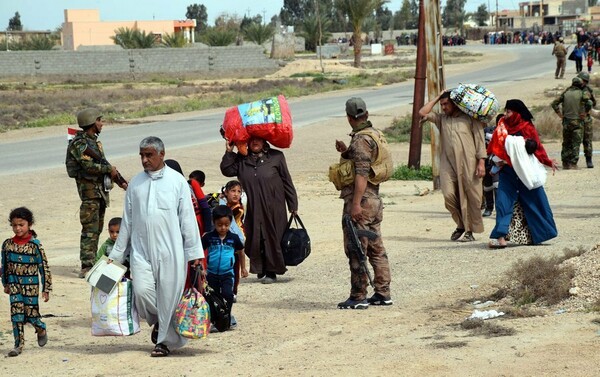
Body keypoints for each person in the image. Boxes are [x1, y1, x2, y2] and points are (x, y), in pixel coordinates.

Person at [108, 136, 203, 357]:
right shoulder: (136, 184)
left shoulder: (177, 181)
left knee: (169, 295)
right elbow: (128, 221)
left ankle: (163, 343)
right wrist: (117, 255)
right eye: (142, 155)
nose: (144, 160)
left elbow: (187, 220)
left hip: (171, 250)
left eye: (149, 155)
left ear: (162, 154)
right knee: (141, 292)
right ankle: (162, 322)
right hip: (141, 251)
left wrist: (194, 253)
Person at [333, 97, 394, 309]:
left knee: (356, 248)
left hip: (363, 200)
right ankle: (383, 293)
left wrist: (355, 204)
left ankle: (358, 296)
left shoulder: (361, 139)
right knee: (376, 248)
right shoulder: (374, 134)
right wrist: (344, 151)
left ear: (349, 117)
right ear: (366, 115)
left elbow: (361, 173)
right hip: (375, 200)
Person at [220, 136, 298, 284]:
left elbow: (287, 181)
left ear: (264, 141)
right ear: (247, 142)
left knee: (272, 236)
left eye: (258, 140)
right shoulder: (241, 159)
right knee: (253, 237)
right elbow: (227, 170)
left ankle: (271, 271)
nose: (255, 143)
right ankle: (260, 267)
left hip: (273, 206)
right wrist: (229, 152)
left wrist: (293, 205)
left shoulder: (276, 157)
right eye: (252, 140)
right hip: (252, 207)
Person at [487, 100, 559, 248]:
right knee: (502, 202)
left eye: (509, 112)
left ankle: (543, 233)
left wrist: (548, 161)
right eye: (506, 111)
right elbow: (495, 146)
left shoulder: (527, 127)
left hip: (525, 172)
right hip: (507, 172)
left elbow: (537, 147)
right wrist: (497, 159)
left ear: (517, 113)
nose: (506, 115)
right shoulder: (502, 126)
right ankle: (500, 236)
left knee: (536, 201)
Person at [66, 108, 126, 278]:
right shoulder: (80, 144)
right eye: (99, 120)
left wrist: (119, 180)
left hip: (99, 193)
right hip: (89, 194)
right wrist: (109, 169)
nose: (101, 124)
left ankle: (92, 262)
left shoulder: (94, 143)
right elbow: (88, 166)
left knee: (97, 230)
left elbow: (100, 166)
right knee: (89, 231)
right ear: (92, 123)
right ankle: (86, 266)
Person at [419, 91, 487, 242]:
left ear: (455, 103)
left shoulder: (470, 119)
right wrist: (438, 97)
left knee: (470, 197)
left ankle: (469, 231)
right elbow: (422, 112)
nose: (443, 107)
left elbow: (480, 141)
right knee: (449, 195)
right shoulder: (441, 119)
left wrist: (481, 162)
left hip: (468, 163)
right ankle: (461, 224)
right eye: (441, 105)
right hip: (448, 163)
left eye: (446, 104)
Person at [1, 207, 51, 357]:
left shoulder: (35, 245)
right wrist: (5, 284)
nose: (18, 228)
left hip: (31, 286)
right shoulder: (7, 245)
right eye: (15, 225)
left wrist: (46, 289)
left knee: (31, 314)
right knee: (16, 315)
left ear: (29, 224)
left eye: (21, 224)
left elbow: (44, 268)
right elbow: (4, 266)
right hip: (14, 284)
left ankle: (41, 328)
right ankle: (18, 345)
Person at [201, 205, 245, 330]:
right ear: (214, 222)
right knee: (212, 297)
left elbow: (241, 252)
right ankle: (214, 319)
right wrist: (202, 267)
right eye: (219, 225)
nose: (223, 228)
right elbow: (199, 251)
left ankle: (227, 316)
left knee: (228, 295)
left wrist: (243, 268)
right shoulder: (208, 237)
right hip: (212, 273)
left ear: (230, 223)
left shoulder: (233, 238)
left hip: (227, 273)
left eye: (226, 224)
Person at [551, 77, 593, 169]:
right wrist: (585, 113)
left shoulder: (565, 93)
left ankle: (565, 163)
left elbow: (554, 104)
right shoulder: (582, 93)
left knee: (566, 143)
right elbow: (589, 102)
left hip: (566, 122)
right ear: (580, 84)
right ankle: (573, 164)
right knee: (576, 143)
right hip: (577, 122)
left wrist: (560, 115)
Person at [218, 180, 248, 299]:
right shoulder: (222, 206)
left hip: (235, 241)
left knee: (235, 267)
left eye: (239, 192)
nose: (236, 194)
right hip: (224, 242)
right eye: (233, 191)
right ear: (226, 192)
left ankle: (233, 292)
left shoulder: (238, 207)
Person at [482, 114, 502, 217]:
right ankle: (488, 208)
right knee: (487, 186)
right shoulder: (487, 131)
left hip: (499, 164)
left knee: (497, 185)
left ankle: (499, 210)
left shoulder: (507, 133)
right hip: (487, 162)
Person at [577, 72, 596, 168]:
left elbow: (594, 103)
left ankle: (589, 160)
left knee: (587, 140)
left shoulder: (588, 90)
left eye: (583, 80)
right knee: (574, 140)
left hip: (586, 119)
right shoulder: (573, 89)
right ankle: (572, 161)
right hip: (575, 118)